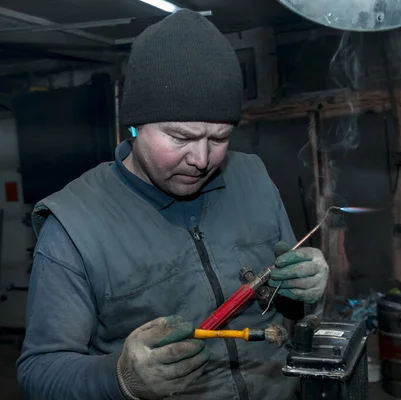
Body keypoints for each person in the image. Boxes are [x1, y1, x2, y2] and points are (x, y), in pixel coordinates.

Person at [16, 10, 329, 400]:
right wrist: (120, 379)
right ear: (134, 126)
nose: (202, 158)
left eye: (219, 138)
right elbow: (40, 371)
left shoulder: (252, 176)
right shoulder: (74, 225)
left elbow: (291, 307)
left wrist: (307, 290)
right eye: (181, 137)